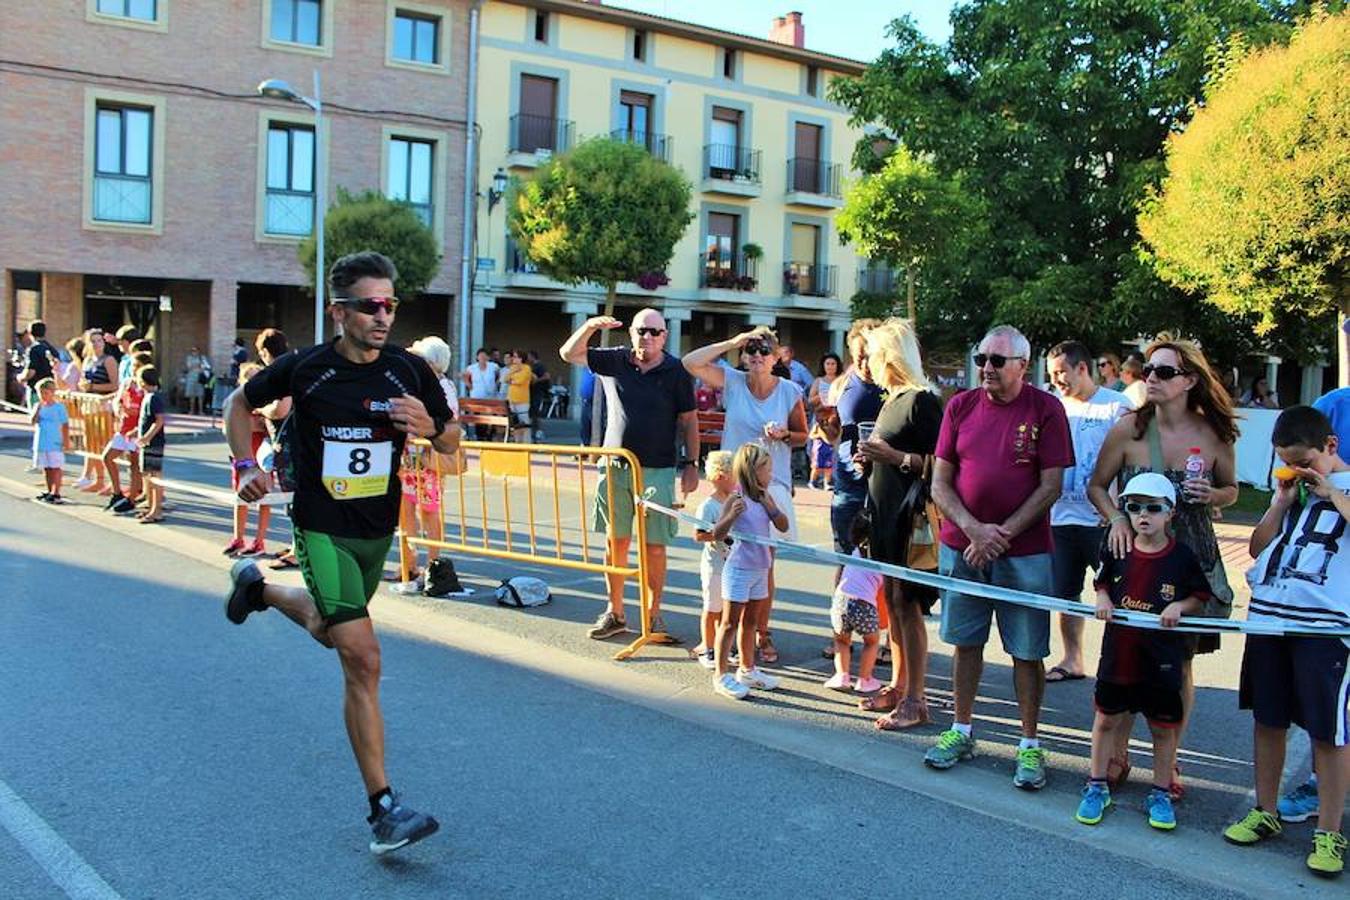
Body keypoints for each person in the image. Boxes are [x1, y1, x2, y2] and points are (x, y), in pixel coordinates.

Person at [224, 251, 456, 855]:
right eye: (371, 306)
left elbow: (453, 437)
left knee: (333, 629)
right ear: (339, 312)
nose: (383, 317)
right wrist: (246, 463)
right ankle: (384, 808)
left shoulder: (408, 370)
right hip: (321, 525)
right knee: (363, 657)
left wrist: (430, 425)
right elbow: (237, 405)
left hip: (375, 532)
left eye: (391, 305)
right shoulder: (306, 370)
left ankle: (261, 590)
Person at [1088, 334, 1239, 799]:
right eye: (1149, 370)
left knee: (1179, 661)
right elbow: (1097, 486)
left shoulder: (1213, 432)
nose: (1151, 378)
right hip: (1135, 558)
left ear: (1190, 380)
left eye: (1164, 372)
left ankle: (1168, 762)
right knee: (1127, 653)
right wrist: (1116, 517)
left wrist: (1213, 496)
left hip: (1189, 557)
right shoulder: (1128, 429)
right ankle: (1115, 753)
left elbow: (1231, 490)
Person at [924, 325, 1073, 789]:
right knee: (965, 642)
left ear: (1022, 366)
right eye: (982, 357)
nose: (986, 367)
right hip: (960, 545)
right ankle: (962, 729)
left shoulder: (1046, 410)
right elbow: (940, 482)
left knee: (1027, 651)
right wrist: (972, 529)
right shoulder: (960, 406)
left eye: (997, 360)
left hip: (1024, 552)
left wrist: (1001, 535)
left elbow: (1052, 486)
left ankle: (1029, 744)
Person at [1223, 405, 1349, 878]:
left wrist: (1330, 489)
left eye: (1305, 461)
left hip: (1324, 629)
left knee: (1328, 732)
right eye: (1285, 460)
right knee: (1268, 718)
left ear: (1330, 448)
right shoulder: (1291, 492)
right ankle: (1266, 810)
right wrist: (1279, 501)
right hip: (1270, 619)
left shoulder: (1342, 485)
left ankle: (1329, 831)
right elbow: (1256, 548)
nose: (1297, 470)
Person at [1075, 473, 1210, 832]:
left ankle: (1161, 791)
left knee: (1162, 729)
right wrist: (1103, 598)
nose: (1142, 515)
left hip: (1161, 660)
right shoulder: (1117, 547)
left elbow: (1200, 595)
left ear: (1171, 513)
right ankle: (1097, 785)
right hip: (1118, 657)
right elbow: (1102, 581)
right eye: (1133, 508)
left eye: (1153, 508)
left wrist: (1180, 606)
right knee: (1105, 720)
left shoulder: (1182, 557)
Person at [559, 309, 700, 640]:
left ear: (665, 336)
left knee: (654, 546)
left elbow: (689, 419)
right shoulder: (616, 359)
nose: (647, 337)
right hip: (615, 465)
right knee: (616, 540)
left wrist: (691, 465)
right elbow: (569, 353)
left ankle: (653, 614)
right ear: (632, 332)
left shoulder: (676, 370)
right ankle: (615, 611)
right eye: (641, 331)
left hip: (658, 469)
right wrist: (591, 326)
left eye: (654, 332)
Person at [683, 326, 808, 665]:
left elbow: (803, 436)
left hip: (770, 485)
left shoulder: (789, 390)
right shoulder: (733, 381)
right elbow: (690, 362)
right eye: (750, 350)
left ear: (776, 356)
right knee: (725, 556)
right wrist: (732, 341)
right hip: (733, 484)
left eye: (764, 350)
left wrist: (784, 434)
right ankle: (722, 630)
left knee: (763, 563)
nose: (756, 356)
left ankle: (759, 633)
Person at [855, 318, 945, 730]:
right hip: (885, 517)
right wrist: (871, 459)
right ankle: (898, 685)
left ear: (888, 357)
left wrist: (894, 459)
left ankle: (916, 698)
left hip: (910, 522)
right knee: (892, 603)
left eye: (872, 354)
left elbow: (945, 467)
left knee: (908, 607)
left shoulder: (921, 401)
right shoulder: (891, 400)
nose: (867, 362)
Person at [1045, 341, 1131, 682]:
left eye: (1061, 373)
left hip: (1102, 519)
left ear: (1082, 368)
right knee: (1066, 593)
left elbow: (1129, 460)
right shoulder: (1054, 406)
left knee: (1115, 592)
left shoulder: (1117, 406)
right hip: (1059, 517)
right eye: (1052, 375)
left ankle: (1120, 662)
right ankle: (1072, 658)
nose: (1057, 381)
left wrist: (1116, 509)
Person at [710, 443, 788, 700]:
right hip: (739, 568)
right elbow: (717, 535)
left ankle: (748, 669)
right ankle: (721, 675)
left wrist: (772, 508)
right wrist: (731, 516)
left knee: (751, 622)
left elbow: (783, 526)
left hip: (761, 567)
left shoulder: (765, 496)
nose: (771, 474)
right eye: (767, 469)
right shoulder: (736, 498)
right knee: (729, 622)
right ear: (753, 471)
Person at [392, 336, 461, 595]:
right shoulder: (419, 384)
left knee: (429, 511)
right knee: (406, 510)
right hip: (410, 458)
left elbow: (448, 423)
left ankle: (433, 565)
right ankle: (408, 564)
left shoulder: (443, 387)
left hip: (428, 459)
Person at [829, 320, 884, 557]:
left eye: (869, 356)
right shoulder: (842, 385)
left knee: (882, 562)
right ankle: (842, 597)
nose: (864, 363)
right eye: (858, 356)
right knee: (845, 558)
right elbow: (835, 434)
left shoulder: (892, 387)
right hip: (848, 485)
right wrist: (825, 428)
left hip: (883, 486)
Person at [254, 328, 300, 571]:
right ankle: (297, 545)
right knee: (294, 497)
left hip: (292, 445)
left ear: (264, 352)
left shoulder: (284, 371)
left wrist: (261, 410)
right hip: (294, 443)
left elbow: (281, 408)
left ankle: (298, 550)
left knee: (294, 497)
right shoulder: (293, 366)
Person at [826, 512, 885, 694]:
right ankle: (864, 679)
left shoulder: (854, 553)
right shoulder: (881, 560)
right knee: (871, 642)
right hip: (863, 604)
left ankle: (841, 675)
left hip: (841, 601)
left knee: (841, 641)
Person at [692, 450, 735, 669]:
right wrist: (720, 534)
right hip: (714, 565)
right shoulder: (708, 506)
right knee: (712, 608)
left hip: (732, 565)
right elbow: (699, 534)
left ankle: (722, 646)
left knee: (726, 608)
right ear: (720, 477)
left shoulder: (734, 501)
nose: (737, 481)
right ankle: (707, 646)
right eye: (733, 476)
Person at [223, 362, 271, 556]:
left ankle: (259, 541)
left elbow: (265, 427)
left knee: (264, 498)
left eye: (257, 377)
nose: (253, 381)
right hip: (242, 458)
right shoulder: (237, 404)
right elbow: (227, 427)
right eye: (249, 377)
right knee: (240, 497)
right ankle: (238, 537)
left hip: (262, 458)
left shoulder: (266, 406)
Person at [102, 350, 152, 513]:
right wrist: (118, 408)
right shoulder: (127, 383)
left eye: (137, 366)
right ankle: (117, 492)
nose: (133, 369)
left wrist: (138, 426)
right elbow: (118, 399)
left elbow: (149, 412)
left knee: (134, 465)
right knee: (108, 457)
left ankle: (132, 498)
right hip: (123, 428)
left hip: (136, 430)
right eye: (132, 365)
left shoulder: (145, 386)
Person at [72, 329, 119, 493]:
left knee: (104, 444)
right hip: (88, 405)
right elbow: (82, 382)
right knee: (91, 444)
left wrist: (93, 387)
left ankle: (112, 482)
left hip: (104, 405)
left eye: (99, 340)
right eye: (93, 341)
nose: (97, 344)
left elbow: (115, 385)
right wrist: (83, 387)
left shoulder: (109, 360)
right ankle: (98, 479)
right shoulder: (87, 361)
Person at [134, 366, 167, 524]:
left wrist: (146, 437)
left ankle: (156, 510)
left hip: (154, 443)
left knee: (154, 477)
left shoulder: (153, 398)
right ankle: (151, 507)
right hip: (149, 442)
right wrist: (137, 431)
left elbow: (159, 420)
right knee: (149, 475)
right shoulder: (149, 397)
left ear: (143, 382)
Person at [29, 378, 70, 504]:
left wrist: (66, 440)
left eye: (46, 393)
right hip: (42, 441)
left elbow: (65, 424)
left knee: (56, 467)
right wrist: (37, 409)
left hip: (54, 440)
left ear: (52, 392)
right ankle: (49, 490)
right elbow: (33, 421)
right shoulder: (39, 406)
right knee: (46, 467)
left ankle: (56, 491)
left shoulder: (59, 407)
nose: (43, 396)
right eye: (41, 393)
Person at [462, 348, 500, 439]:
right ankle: (477, 435)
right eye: (480, 356)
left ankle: (488, 435)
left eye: (484, 356)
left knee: (488, 416)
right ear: (477, 357)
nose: (482, 358)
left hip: (490, 396)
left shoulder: (494, 366)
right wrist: (469, 385)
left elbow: (499, 375)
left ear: (488, 357)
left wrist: (496, 384)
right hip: (476, 396)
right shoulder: (471, 367)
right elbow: (465, 376)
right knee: (476, 416)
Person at [18, 320, 57, 407]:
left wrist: (20, 377)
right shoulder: (52, 349)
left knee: (36, 417)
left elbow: (31, 372)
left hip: (37, 390)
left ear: (30, 333)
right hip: (51, 391)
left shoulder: (33, 349)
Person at [502, 349, 534, 443]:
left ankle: (527, 442)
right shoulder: (513, 368)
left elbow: (521, 380)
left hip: (522, 399)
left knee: (524, 421)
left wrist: (512, 380)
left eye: (516, 357)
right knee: (515, 423)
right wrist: (513, 373)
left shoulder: (527, 368)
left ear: (521, 358)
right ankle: (517, 441)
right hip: (512, 398)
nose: (514, 359)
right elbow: (505, 379)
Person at [807, 407, 838, 490]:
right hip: (819, 448)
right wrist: (820, 436)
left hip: (828, 448)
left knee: (828, 467)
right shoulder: (817, 426)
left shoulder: (832, 426)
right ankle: (812, 482)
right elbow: (811, 435)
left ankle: (827, 483)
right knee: (816, 467)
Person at [808, 352, 843, 419]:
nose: (830, 367)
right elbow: (810, 401)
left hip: (838, 415)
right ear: (823, 365)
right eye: (827, 364)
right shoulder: (818, 381)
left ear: (837, 365)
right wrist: (820, 396)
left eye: (833, 364)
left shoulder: (842, 380)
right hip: (821, 415)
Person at [527, 350, 552, 438]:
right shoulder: (532, 366)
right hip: (533, 392)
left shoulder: (539, 366)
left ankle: (538, 431)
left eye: (529, 356)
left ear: (533, 356)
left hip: (538, 392)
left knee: (535, 412)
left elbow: (547, 376)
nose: (528, 358)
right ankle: (533, 430)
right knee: (532, 412)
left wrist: (536, 381)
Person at [183, 345, 207, 416]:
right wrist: (197, 366)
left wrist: (198, 366)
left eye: (195, 350)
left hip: (199, 378)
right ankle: (191, 410)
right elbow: (189, 366)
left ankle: (201, 411)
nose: (194, 352)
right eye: (192, 351)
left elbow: (204, 367)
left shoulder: (202, 358)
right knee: (191, 395)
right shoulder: (189, 358)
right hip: (191, 378)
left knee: (200, 395)